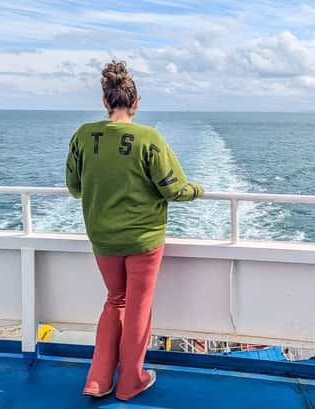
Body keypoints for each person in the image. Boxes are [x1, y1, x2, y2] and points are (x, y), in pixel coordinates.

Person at [65, 60, 205, 400]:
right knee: (138, 307)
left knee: (115, 301)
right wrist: (198, 190)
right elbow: (174, 189)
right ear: (136, 103)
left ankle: (98, 380)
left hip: (102, 238)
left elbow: (74, 187)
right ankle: (131, 381)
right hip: (144, 241)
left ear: (104, 101)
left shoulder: (83, 136)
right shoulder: (149, 138)